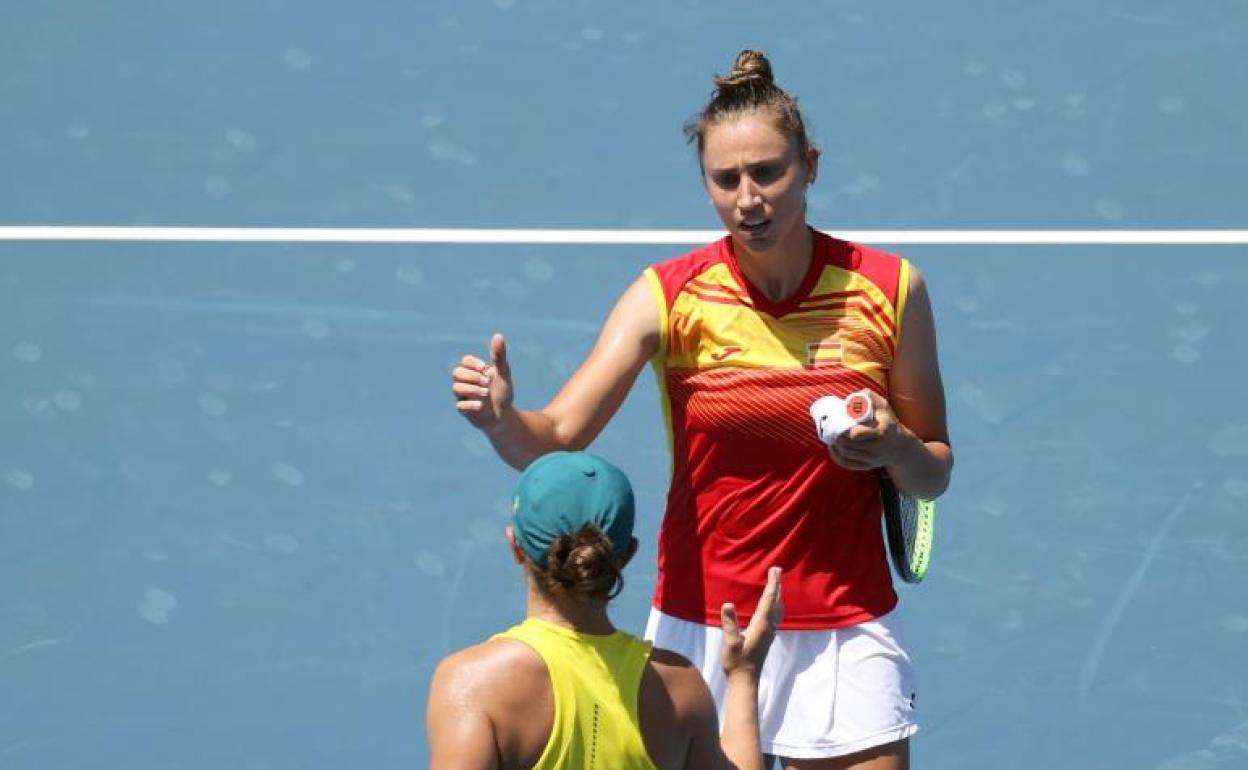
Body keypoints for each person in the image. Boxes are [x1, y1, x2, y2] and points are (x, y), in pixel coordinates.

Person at [450, 49, 953, 770]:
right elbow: (556, 436)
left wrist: (898, 446)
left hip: (843, 623)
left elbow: (933, 472)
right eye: (726, 180)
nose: (749, 198)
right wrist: (502, 420)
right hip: (703, 624)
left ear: (810, 165)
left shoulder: (890, 289)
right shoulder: (670, 296)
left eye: (769, 172)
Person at [426, 450, 783, 770]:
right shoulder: (680, 687)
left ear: (515, 546)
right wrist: (743, 677)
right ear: (627, 554)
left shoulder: (470, 682)